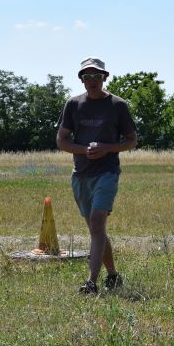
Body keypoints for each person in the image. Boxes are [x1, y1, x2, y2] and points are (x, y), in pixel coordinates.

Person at [56, 57, 137, 294]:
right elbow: (61, 140)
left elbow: (132, 140)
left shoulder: (117, 105)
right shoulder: (73, 104)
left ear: (105, 78)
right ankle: (113, 275)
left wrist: (107, 148)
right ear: (81, 79)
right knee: (95, 229)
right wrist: (83, 150)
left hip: (107, 172)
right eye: (88, 76)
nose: (93, 80)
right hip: (81, 174)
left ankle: (91, 282)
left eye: (97, 76)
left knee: (98, 222)